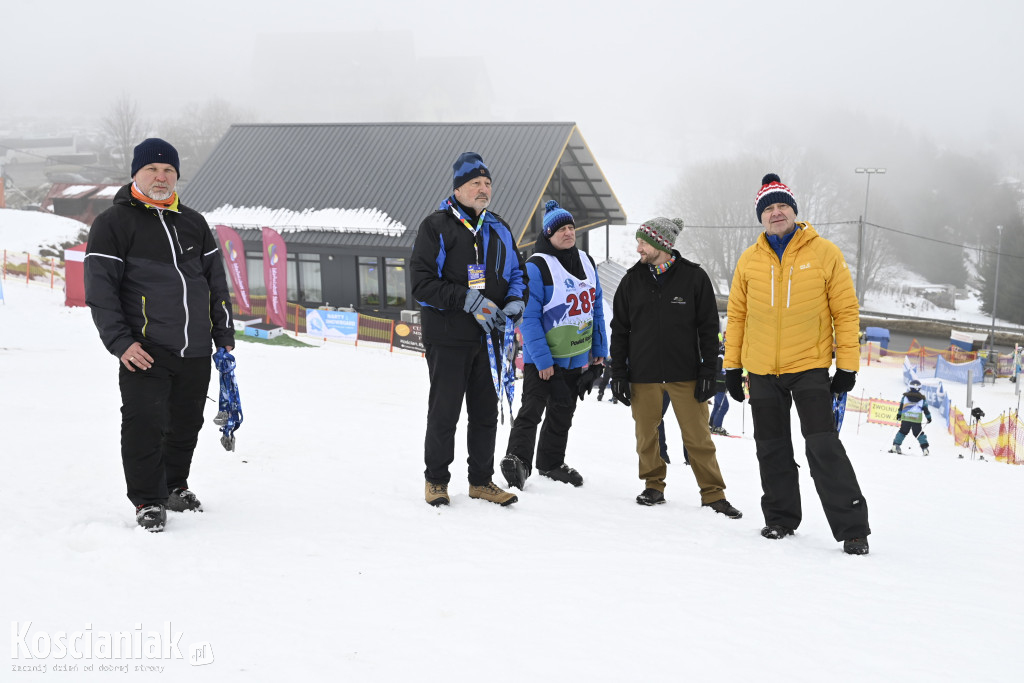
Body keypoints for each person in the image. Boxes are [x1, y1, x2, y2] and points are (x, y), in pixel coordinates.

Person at [84, 138, 235, 532]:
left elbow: (215, 283)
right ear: (135, 173)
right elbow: (100, 292)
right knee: (144, 424)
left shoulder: (193, 222)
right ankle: (148, 500)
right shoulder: (113, 223)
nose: (161, 177)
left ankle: (173, 485)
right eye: (152, 169)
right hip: (145, 348)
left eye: (168, 170)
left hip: (196, 347)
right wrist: (121, 343)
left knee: (186, 424)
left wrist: (224, 333)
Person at [724, 173, 870, 555]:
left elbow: (846, 310)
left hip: (809, 367)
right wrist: (731, 366)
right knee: (771, 449)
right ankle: (780, 519)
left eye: (781, 206)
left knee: (823, 447)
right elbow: (737, 316)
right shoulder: (749, 260)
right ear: (761, 217)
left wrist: (848, 366)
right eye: (768, 208)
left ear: (794, 211)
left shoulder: (825, 254)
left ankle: (853, 528)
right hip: (761, 370)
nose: (776, 213)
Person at [411, 152, 526, 507]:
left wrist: (515, 302)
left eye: (488, 183)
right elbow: (421, 284)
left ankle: (481, 481)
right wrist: (467, 300)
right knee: (445, 411)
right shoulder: (437, 226)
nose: (484, 189)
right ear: (459, 188)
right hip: (448, 337)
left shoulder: (500, 228)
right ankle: (436, 480)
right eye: (476, 183)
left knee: (485, 413)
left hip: (489, 340)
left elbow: (517, 274)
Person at [609, 217, 741, 517]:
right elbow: (620, 330)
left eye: (644, 242)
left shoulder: (694, 278)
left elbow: (709, 330)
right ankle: (653, 485)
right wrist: (618, 373)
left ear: (661, 244)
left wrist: (710, 373)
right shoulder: (631, 280)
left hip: (686, 375)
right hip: (643, 374)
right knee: (646, 435)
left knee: (698, 437)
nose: (638, 247)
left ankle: (713, 494)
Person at [501, 201, 607, 490]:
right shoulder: (536, 267)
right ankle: (517, 461)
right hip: (544, 360)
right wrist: (543, 360)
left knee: (562, 413)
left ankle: (551, 463)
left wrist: (599, 350)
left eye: (571, 227)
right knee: (532, 411)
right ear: (548, 235)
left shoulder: (587, 261)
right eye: (561, 229)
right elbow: (529, 318)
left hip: (575, 356)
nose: (568, 232)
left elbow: (595, 307)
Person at [891, 379, 932, 455]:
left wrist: (899, 415)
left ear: (910, 387)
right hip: (916, 419)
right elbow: (925, 409)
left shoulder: (905, 397)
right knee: (918, 433)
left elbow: (901, 407)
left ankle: (895, 445)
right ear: (919, 388)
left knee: (903, 431)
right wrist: (929, 418)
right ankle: (925, 448)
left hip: (906, 417)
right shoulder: (922, 399)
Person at [709, 333, 730, 435]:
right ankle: (717, 426)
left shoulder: (721, 355)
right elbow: (717, 372)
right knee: (724, 406)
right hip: (719, 386)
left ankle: (711, 424)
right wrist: (726, 378)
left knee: (717, 405)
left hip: (719, 385)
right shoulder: (720, 356)